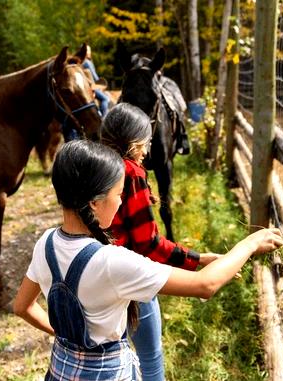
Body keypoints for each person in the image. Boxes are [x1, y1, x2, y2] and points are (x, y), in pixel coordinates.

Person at [14, 139, 283, 380]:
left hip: (60, 370)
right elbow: (206, 284)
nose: (121, 203)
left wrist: (69, 338)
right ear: (94, 202)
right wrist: (250, 243)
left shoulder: (46, 243)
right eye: (119, 194)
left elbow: (22, 307)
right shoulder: (111, 261)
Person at [99, 103, 219, 380]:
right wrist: (197, 259)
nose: (147, 151)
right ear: (132, 143)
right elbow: (147, 243)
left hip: (96, 276)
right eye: (145, 143)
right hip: (130, 279)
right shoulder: (130, 173)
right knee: (150, 357)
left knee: (116, 352)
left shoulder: (95, 164)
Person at [82, 44, 110, 118]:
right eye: (87, 50)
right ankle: (103, 118)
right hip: (92, 86)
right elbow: (94, 76)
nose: (89, 52)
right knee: (105, 98)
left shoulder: (83, 62)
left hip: (88, 85)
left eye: (89, 50)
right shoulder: (87, 62)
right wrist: (101, 84)